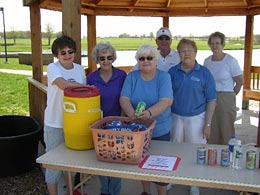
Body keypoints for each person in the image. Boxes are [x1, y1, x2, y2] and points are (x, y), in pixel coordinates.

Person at [120, 44, 173, 195]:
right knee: (142, 163)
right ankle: (146, 192)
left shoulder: (164, 77)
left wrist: (149, 113)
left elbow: (165, 101)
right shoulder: (132, 77)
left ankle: (162, 193)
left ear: (156, 60)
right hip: (139, 129)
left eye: (149, 58)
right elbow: (124, 98)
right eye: (141, 58)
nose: (146, 61)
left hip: (160, 128)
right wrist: (131, 114)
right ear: (138, 61)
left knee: (160, 166)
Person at [168, 39, 216, 195]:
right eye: (182, 50)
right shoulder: (172, 72)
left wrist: (207, 124)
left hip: (197, 117)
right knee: (174, 148)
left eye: (189, 50)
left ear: (196, 52)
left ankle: (194, 182)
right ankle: (172, 179)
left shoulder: (204, 73)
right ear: (178, 54)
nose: (186, 53)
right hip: (175, 116)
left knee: (196, 151)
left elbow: (211, 100)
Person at [44, 35, 87, 195]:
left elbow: (84, 95)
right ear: (56, 55)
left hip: (73, 123)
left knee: (71, 161)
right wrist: (83, 86)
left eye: (70, 51)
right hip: (54, 123)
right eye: (63, 53)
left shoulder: (79, 69)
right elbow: (62, 85)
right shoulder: (53, 68)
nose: (67, 55)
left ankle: (71, 191)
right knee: (53, 163)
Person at [87, 42, 127, 195]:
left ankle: (115, 192)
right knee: (102, 158)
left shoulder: (121, 75)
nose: (106, 61)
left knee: (118, 159)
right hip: (99, 124)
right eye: (102, 58)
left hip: (118, 122)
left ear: (113, 58)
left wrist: (124, 119)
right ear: (97, 59)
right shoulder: (91, 78)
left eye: (109, 57)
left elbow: (126, 98)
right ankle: (104, 190)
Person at [203, 31, 244, 145]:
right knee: (212, 126)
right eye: (212, 43)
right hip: (210, 97)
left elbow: (239, 82)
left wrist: (230, 96)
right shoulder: (207, 61)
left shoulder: (230, 61)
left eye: (217, 43)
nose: (215, 46)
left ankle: (228, 155)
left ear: (223, 44)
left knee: (227, 129)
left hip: (226, 97)